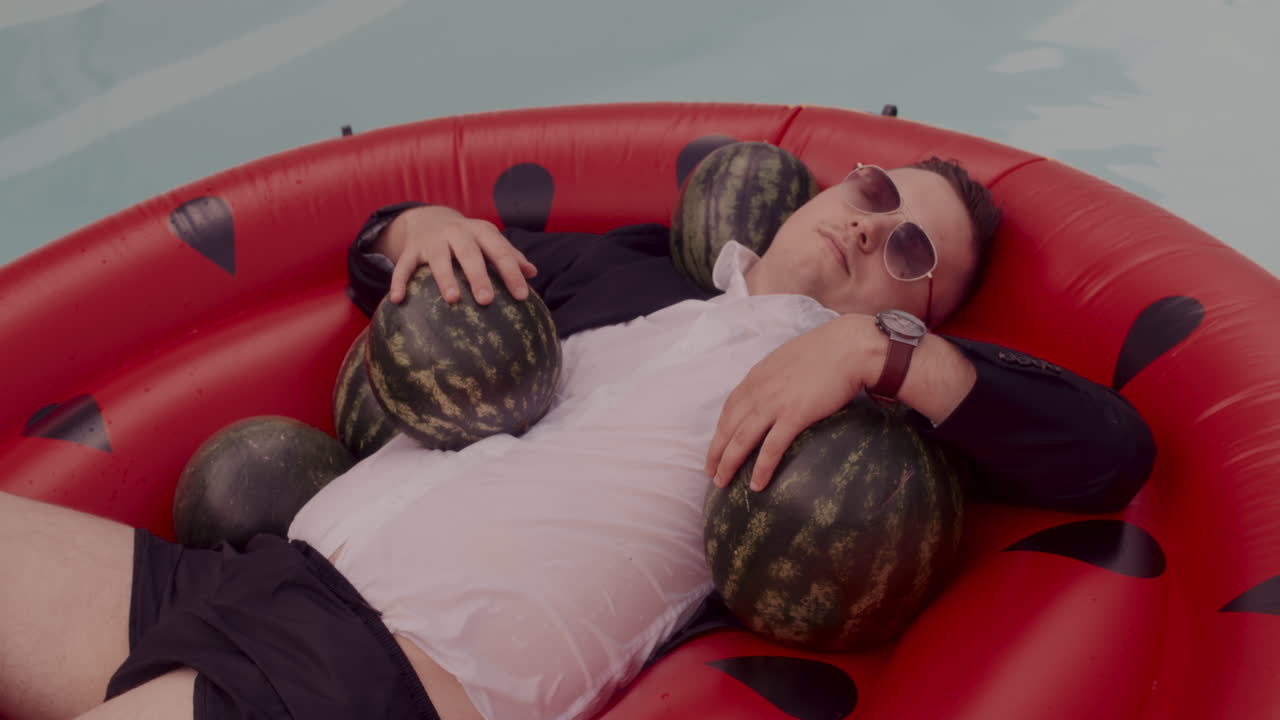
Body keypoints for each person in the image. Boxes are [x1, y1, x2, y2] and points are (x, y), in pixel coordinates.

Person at [0, 159, 1154, 720]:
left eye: (912, 253)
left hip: (385, 675)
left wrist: (882, 354)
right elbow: (379, 261)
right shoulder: (627, 270)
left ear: (928, 310)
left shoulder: (864, 417)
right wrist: (422, 224)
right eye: (872, 188)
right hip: (250, 581)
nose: (870, 224)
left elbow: (1107, 454)